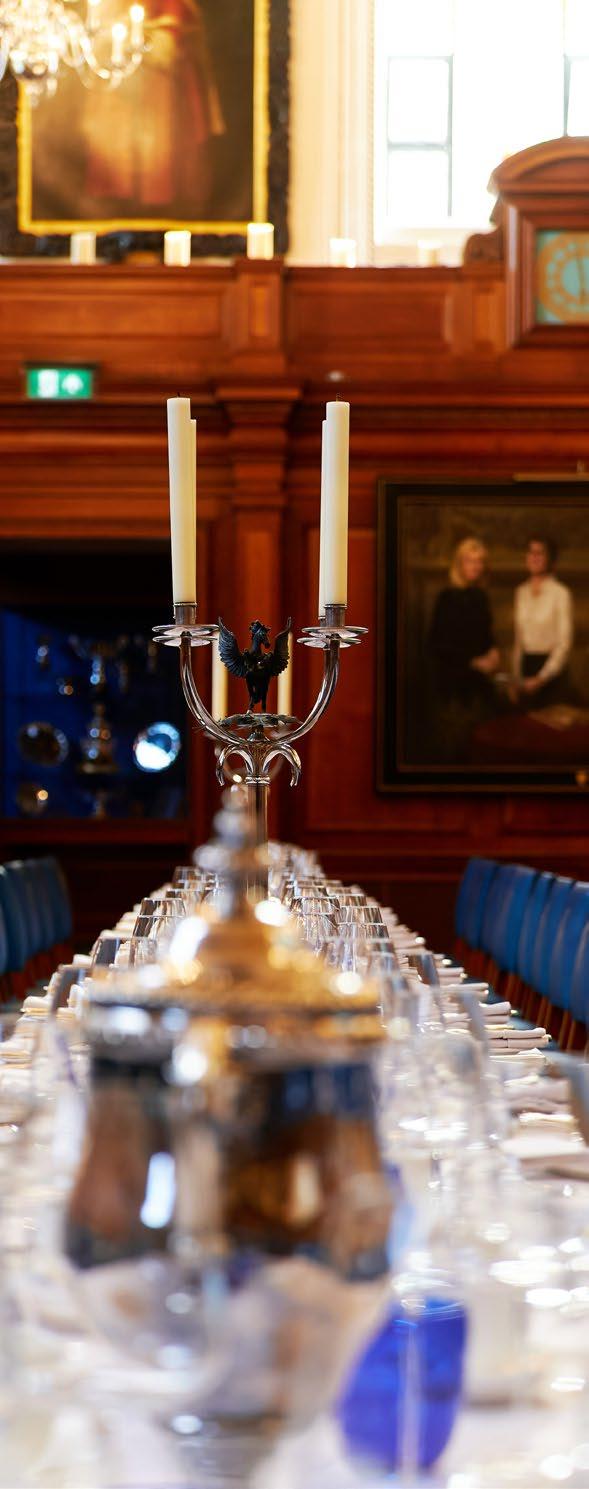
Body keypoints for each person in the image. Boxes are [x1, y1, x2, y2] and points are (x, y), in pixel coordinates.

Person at [427, 537, 500, 761]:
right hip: (454, 684)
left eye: (480, 561)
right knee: (456, 748)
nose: (476, 566)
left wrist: (494, 652)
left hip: (479, 684)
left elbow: (486, 637)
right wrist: (473, 662)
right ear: (459, 564)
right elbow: (437, 645)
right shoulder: (447, 598)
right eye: (470, 561)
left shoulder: (481, 597)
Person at [512, 536, 574, 708]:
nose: (534, 557)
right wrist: (516, 678)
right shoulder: (521, 592)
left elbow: (564, 643)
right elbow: (519, 641)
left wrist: (541, 678)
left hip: (551, 672)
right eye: (531, 552)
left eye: (540, 553)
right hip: (526, 668)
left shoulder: (561, 593)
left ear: (549, 558)